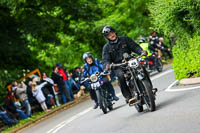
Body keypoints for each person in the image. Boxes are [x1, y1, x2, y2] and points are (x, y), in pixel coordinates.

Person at [102, 25, 147, 105]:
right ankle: (129, 97)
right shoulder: (106, 47)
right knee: (121, 76)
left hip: (130, 60)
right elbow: (105, 59)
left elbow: (135, 47)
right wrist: (107, 65)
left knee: (141, 68)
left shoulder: (125, 39)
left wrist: (141, 52)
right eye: (109, 35)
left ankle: (149, 87)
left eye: (112, 33)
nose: (111, 35)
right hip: (118, 65)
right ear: (107, 37)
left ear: (115, 32)